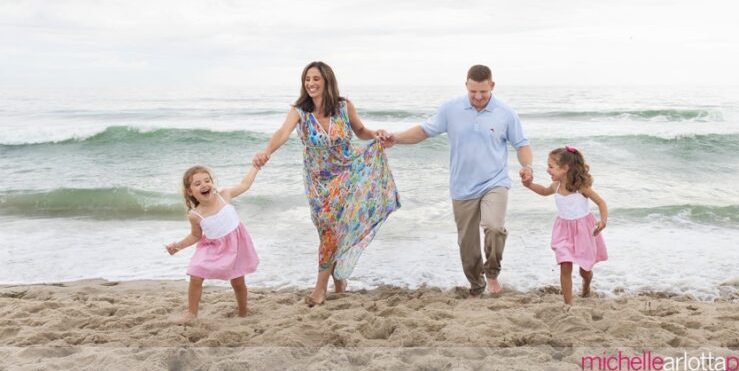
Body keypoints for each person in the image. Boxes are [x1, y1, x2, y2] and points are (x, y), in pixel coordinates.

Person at [253, 61, 400, 306]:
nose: (311, 83)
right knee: (327, 230)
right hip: (317, 180)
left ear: (327, 81)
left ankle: (319, 289)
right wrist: (266, 152)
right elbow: (281, 133)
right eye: (307, 79)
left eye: (316, 79)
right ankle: (340, 277)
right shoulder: (299, 110)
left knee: (333, 229)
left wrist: (377, 135)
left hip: (347, 173)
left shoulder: (344, 106)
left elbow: (361, 130)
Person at [382, 64, 532, 297]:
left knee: (494, 227)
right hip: (462, 186)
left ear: (492, 85)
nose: (478, 97)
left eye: (483, 91)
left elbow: (521, 144)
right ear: (466, 86)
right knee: (467, 243)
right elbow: (424, 131)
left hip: (495, 182)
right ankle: (476, 284)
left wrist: (527, 166)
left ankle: (492, 273)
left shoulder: (506, 113)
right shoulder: (451, 109)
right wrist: (396, 139)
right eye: (473, 91)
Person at [166, 163, 261, 323]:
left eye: (207, 181)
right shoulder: (195, 215)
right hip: (212, 248)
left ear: (212, 183)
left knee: (238, 282)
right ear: (190, 192)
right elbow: (195, 236)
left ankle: (243, 312)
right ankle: (191, 313)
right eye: (197, 184)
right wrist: (178, 246)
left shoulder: (224, 195)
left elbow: (245, 184)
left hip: (235, 246)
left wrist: (256, 167)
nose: (204, 185)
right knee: (195, 273)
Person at [522, 146, 608, 305]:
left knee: (585, 270)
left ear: (565, 168)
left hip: (583, 231)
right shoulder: (555, 186)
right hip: (563, 230)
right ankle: (568, 305)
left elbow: (601, 202)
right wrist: (529, 185)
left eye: (551, 167)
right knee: (565, 264)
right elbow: (543, 191)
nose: (548, 170)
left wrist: (602, 221)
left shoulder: (581, 187)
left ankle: (587, 283)